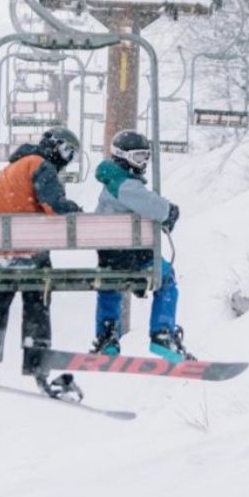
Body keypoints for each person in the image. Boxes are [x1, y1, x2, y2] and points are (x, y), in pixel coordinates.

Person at [0, 126, 82, 395]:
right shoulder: (41, 167)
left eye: (71, 155)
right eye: (66, 151)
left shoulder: (9, 172)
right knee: (37, 300)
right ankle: (37, 361)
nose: (66, 159)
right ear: (53, 146)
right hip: (29, 254)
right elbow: (55, 208)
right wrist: (74, 210)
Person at [90, 130, 195, 362]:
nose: (143, 164)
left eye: (146, 157)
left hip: (109, 259)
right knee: (165, 277)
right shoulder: (124, 184)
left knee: (109, 284)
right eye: (138, 158)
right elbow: (153, 206)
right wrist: (170, 211)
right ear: (122, 156)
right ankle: (162, 334)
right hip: (133, 258)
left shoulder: (111, 184)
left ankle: (107, 337)